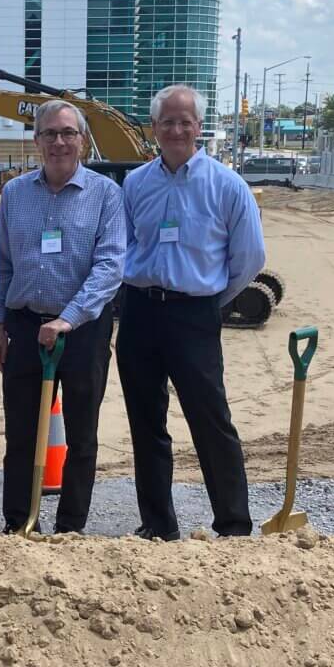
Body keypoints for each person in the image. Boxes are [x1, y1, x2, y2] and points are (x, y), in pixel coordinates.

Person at [117, 84, 266, 541]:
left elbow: (249, 260)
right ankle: (158, 525)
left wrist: (209, 302)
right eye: (168, 122)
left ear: (199, 128)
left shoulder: (227, 186)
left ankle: (234, 524)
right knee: (146, 423)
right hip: (140, 313)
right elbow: (123, 246)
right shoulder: (136, 183)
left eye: (185, 121)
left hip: (195, 317)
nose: (177, 129)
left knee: (211, 420)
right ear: (154, 129)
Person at [0, 100, 125, 534]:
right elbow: (3, 265)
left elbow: (110, 267)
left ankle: (70, 527)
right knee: (21, 434)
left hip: (83, 332)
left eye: (68, 133)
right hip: (26, 326)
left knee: (82, 435)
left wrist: (67, 319)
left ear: (83, 141)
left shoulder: (106, 195)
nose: (59, 142)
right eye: (49, 134)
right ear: (36, 141)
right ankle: (18, 524)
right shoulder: (15, 194)